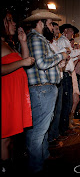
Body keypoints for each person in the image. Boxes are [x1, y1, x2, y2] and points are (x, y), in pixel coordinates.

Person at [23, 9, 68, 173]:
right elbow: (41, 63)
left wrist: (57, 65)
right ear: (40, 23)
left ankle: (43, 156)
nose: (52, 27)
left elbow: (41, 63)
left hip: (43, 89)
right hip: (42, 89)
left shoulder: (38, 39)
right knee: (38, 131)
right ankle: (36, 167)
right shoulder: (36, 38)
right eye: (50, 23)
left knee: (41, 128)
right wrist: (61, 56)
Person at [1, 9, 35, 174]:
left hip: (13, 96)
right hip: (5, 95)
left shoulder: (7, 43)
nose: (14, 23)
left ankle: (10, 166)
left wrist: (22, 42)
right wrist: (22, 63)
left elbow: (25, 61)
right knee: (4, 139)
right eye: (10, 20)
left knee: (10, 139)